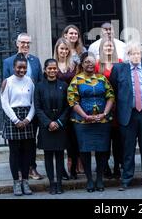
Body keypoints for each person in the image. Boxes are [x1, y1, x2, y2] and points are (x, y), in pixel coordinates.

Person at [110, 43, 142, 191]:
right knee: (128, 148)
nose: (136, 56)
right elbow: (114, 87)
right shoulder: (119, 69)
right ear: (128, 55)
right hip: (128, 113)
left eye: (138, 53)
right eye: (133, 54)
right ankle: (126, 179)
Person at [68, 52, 115, 192]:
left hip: (102, 120)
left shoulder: (102, 79)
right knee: (85, 150)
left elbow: (110, 96)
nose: (89, 64)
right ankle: (89, 180)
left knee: (102, 150)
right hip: (82, 122)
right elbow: (72, 100)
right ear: (82, 64)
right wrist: (85, 116)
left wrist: (105, 113)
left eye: (92, 62)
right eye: (86, 62)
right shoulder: (76, 80)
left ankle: (99, 179)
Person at [2, 33, 44, 180]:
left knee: (31, 141)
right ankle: (19, 170)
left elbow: (39, 83)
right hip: (15, 107)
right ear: (17, 43)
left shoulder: (35, 60)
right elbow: (6, 84)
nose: (25, 45)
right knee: (16, 145)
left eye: (28, 43)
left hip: (32, 107)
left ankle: (32, 168)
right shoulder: (8, 62)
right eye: (23, 42)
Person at [0, 54, 36, 196]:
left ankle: (25, 182)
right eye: (19, 67)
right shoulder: (7, 82)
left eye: (24, 67)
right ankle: (16, 182)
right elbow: (4, 103)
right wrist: (15, 120)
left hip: (27, 117)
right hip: (12, 117)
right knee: (14, 153)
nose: (22, 70)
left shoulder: (30, 81)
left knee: (27, 153)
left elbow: (34, 102)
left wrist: (27, 119)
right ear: (14, 67)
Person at [34, 59, 69, 194]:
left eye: (55, 68)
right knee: (48, 156)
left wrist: (59, 122)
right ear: (45, 70)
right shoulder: (39, 86)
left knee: (60, 156)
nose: (52, 71)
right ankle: (52, 184)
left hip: (60, 126)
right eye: (50, 68)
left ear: (57, 70)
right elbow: (38, 108)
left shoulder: (64, 85)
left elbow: (68, 107)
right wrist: (48, 123)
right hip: (46, 126)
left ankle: (59, 183)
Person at [53, 37, 82, 180]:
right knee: (59, 139)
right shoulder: (52, 65)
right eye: (61, 49)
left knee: (73, 138)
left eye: (66, 49)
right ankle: (61, 169)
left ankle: (73, 167)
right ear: (57, 50)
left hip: (72, 106)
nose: (64, 51)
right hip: (57, 106)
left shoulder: (73, 65)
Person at [95, 39, 123, 179]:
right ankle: (104, 166)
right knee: (104, 138)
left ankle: (118, 165)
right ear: (101, 48)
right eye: (105, 46)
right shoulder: (97, 65)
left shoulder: (120, 62)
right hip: (102, 105)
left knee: (117, 139)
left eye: (111, 46)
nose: (108, 48)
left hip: (118, 106)